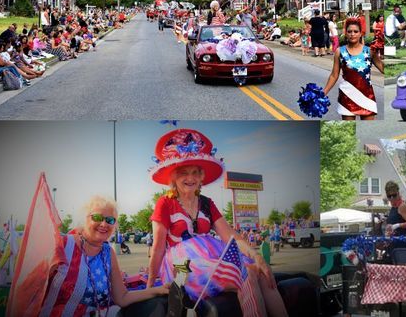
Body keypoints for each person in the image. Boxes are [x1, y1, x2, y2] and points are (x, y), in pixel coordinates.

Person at [146, 129, 286, 315]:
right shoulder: (165, 203)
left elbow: (230, 235)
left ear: (201, 177)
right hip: (181, 267)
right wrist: (149, 286)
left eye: (195, 172)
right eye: (184, 173)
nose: (190, 178)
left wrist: (257, 256)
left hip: (209, 257)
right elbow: (157, 247)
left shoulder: (206, 203)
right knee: (246, 273)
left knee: (261, 271)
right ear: (173, 177)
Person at [38, 196, 168, 314]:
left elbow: (122, 297)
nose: (104, 224)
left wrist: (158, 290)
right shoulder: (63, 245)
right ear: (85, 219)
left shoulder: (108, 252)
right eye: (97, 217)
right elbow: (29, 291)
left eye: (110, 220)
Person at [322, 17, 383, 120]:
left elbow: (383, 68)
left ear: (360, 34)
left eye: (355, 31)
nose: (352, 34)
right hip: (347, 95)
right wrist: (323, 93)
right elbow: (334, 75)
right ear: (346, 33)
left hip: (366, 96)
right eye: (349, 31)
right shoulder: (339, 51)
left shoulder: (370, 51)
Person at [382, 181, 406, 249]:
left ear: (398, 193)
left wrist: (397, 225)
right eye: (389, 196)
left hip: (401, 244)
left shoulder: (402, 206)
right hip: (392, 243)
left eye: (394, 195)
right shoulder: (393, 207)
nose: (392, 198)